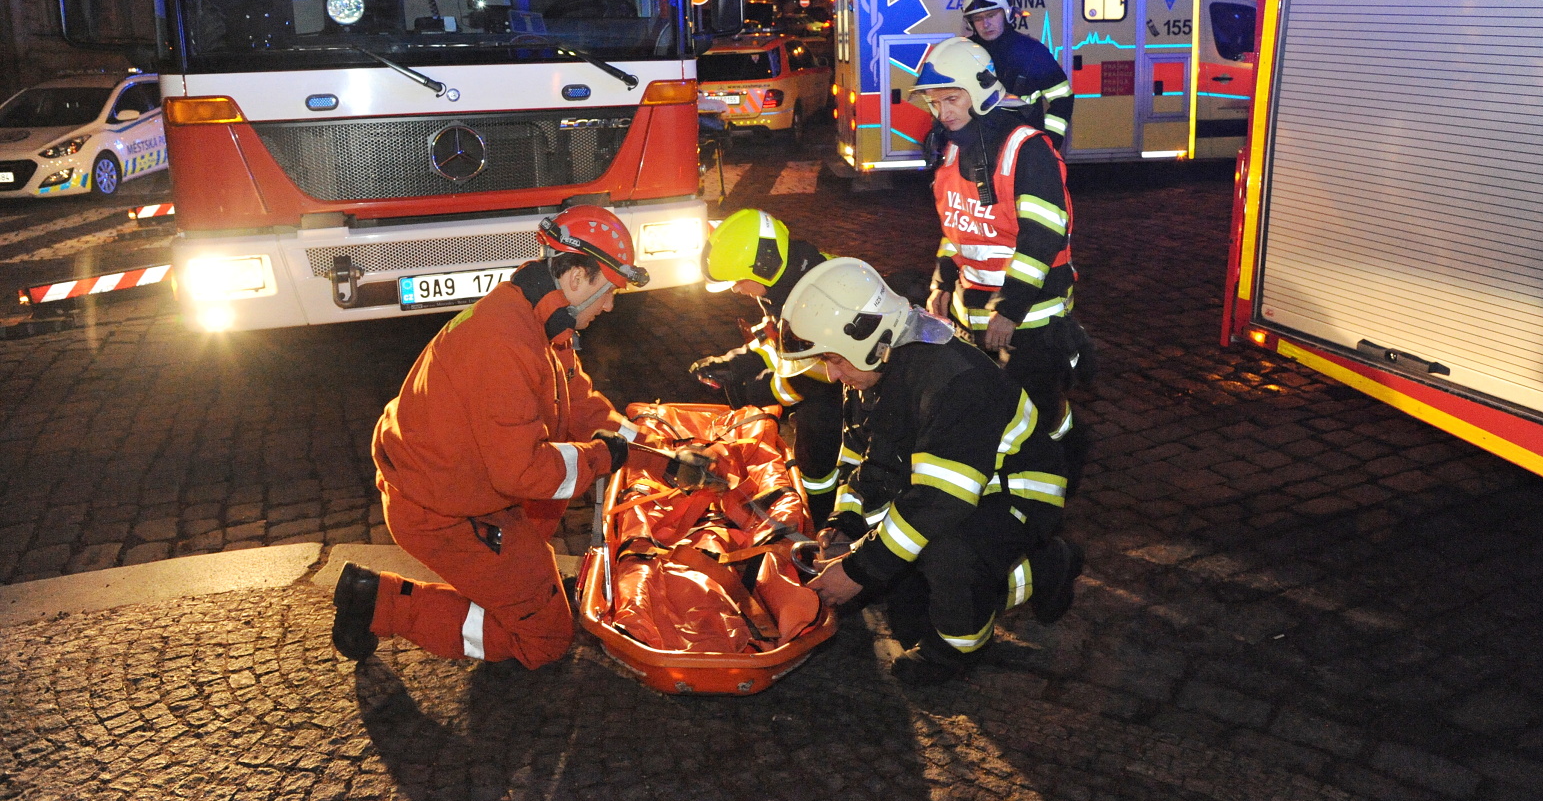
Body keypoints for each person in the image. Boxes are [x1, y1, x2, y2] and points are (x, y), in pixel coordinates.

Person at [331, 205, 655, 670]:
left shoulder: (538, 316)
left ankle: (518, 591)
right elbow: (523, 472)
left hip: (460, 491)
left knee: (534, 564)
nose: (609, 306)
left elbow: (577, 402)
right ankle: (377, 603)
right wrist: (602, 457)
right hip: (443, 512)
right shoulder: (507, 343)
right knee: (546, 641)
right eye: (609, 291)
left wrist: (650, 446)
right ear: (577, 278)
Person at [778, 257, 1084, 685]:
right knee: (907, 600)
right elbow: (861, 459)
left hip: (1017, 492)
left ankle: (957, 650)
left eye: (834, 359)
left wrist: (858, 570)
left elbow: (941, 501)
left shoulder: (954, 380)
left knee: (946, 556)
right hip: (954, 488)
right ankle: (1015, 577)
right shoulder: (874, 370)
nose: (832, 373)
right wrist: (845, 524)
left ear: (869, 337)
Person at [912, 38, 1090, 465]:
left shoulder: (1026, 149)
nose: (943, 112)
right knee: (993, 414)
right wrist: (942, 283)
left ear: (980, 91)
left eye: (952, 99)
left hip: (1032, 318)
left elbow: (1042, 237)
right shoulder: (954, 148)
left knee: (1038, 418)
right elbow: (956, 226)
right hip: (974, 317)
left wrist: (1009, 310)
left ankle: (1059, 472)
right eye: (935, 103)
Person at [689, 208, 843, 519]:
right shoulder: (786, 282)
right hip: (831, 387)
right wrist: (734, 363)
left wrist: (756, 392)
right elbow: (778, 339)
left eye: (738, 281)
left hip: (845, 397)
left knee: (817, 456)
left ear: (762, 267)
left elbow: (817, 374)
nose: (736, 289)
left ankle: (823, 518)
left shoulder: (813, 298)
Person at [960, 0, 1074, 152]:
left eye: (991, 15)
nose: (985, 24)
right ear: (971, 22)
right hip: (977, 151)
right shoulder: (964, 54)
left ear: (1006, 12)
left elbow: (1063, 99)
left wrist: (1049, 142)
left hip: (1024, 149)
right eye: (978, 18)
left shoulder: (1033, 52)